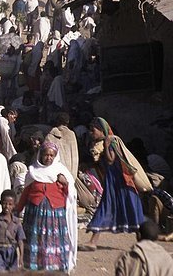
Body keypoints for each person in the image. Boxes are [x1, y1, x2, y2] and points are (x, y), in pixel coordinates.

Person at [83, 117, 145, 250]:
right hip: (112, 182)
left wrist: (105, 145)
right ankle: (93, 241)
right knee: (106, 207)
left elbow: (111, 160)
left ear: (101, 130)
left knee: (130, 208)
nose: (91, 133)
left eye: (93, 130)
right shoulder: (99, 143)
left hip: (122, 182)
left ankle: (143, 243)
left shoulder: (111, 141)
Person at [16, 141, 77, 271]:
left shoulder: (61, 172)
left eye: (51, 155)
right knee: (35, 240)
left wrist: (65, 183)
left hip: (55, 215)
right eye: (46, 155)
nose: (48, 158)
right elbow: (26, 193)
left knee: (52, 242)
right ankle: (35, 267)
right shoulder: (33, 171)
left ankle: (54, 268)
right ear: (40, 155)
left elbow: (70, 194)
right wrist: (17, 209)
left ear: (55, 156)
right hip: (35, 214)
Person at [0, 190, 25, 271]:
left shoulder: (16, 222)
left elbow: (20, 241)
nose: (7, 206)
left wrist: (21, 257)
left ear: (14, 205)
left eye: (10, 204)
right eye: (5, 203)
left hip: (12, 252)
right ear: (0, 203)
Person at [45, 112, 79, 178]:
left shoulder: (51, 135)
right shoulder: (71, 134)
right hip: (70, 172)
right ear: (68, 122)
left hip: (56, 173)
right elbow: (75, 155)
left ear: (57, 121)